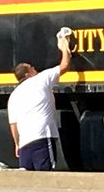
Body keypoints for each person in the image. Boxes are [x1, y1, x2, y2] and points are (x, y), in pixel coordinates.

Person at [7, 30, 72, 171]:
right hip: (42, 138)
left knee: (27, 182)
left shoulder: (14, 95)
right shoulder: (41, 79)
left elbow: (13, 124)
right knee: (46, 178)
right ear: (27, 74)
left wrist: (17, 144)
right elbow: (65, 65)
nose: (35, 69)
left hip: (25, 144)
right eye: (32, 68)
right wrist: (64, 46)